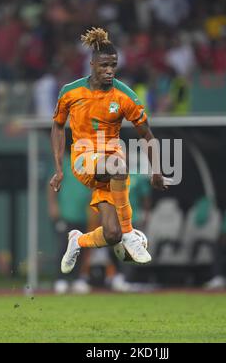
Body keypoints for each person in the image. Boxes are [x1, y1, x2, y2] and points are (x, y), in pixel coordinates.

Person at [50, 27, 170, 274]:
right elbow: (58, 127)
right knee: (119, 166)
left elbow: (147, 135)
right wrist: (59, 169)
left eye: (113, 65)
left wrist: (156, 171)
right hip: (84, 158)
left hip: (110, 166)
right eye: (104, 65)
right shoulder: (70, 92)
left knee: (111, 233)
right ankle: (130, 234)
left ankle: (78, 240)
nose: (109, 71)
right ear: (92, 64)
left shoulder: (125, 96)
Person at [48, 149, 92, 294]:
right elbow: (52, 185)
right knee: (63, 246)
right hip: (65, 214)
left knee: (81, 247)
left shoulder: (90, 164)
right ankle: (60, 279)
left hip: (82, 215)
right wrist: (53, 205)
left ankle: (78, 279)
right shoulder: (65, 163)